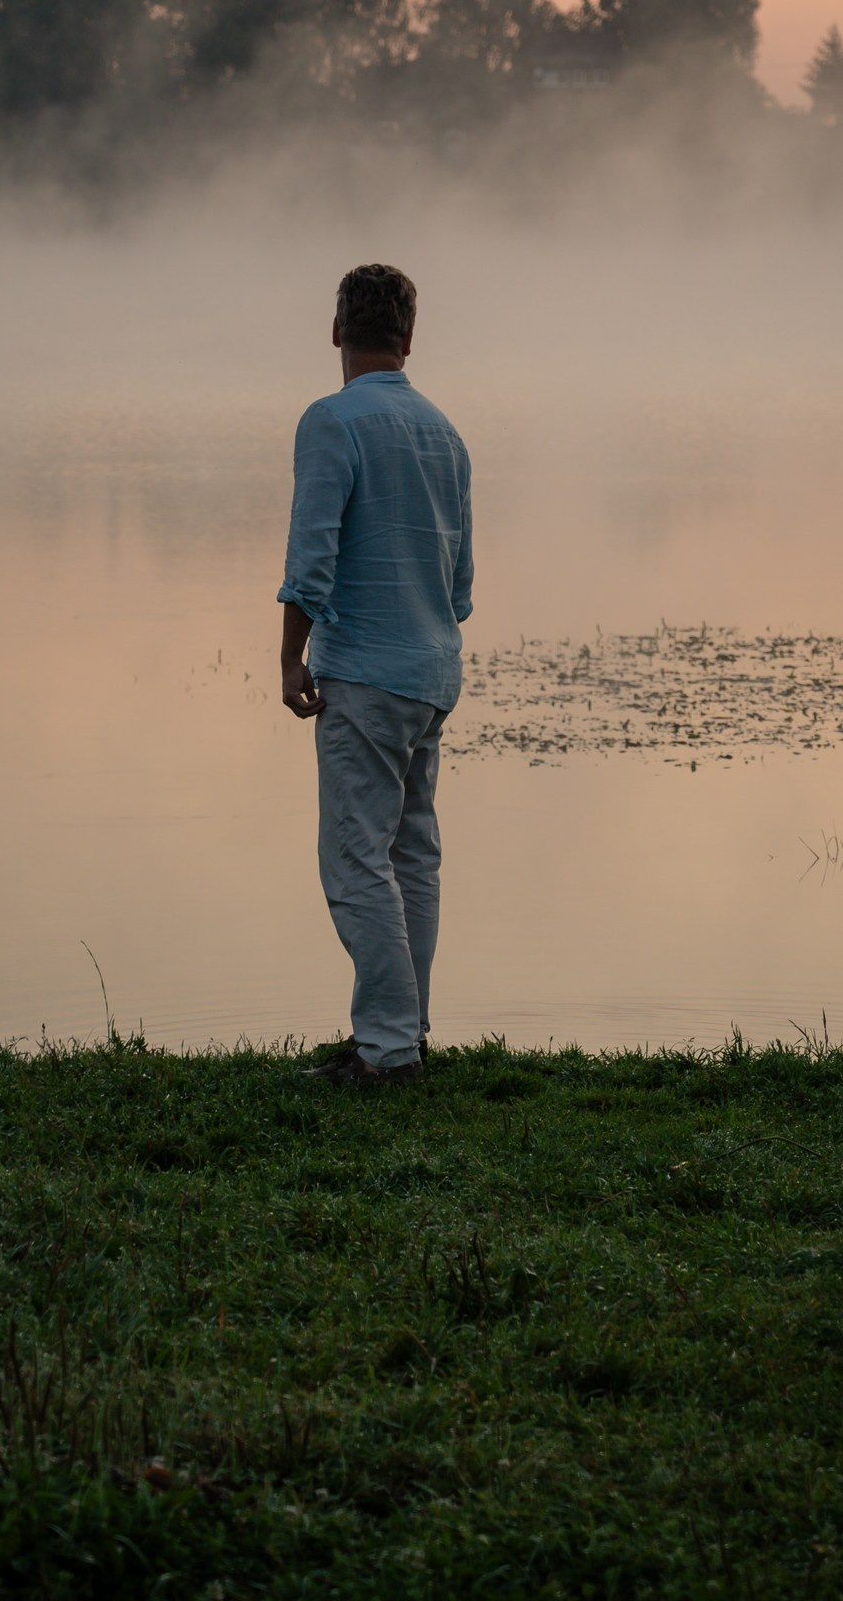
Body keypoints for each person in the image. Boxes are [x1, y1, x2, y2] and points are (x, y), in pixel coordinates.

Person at [278, 262, 473, 1086]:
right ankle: (406, 1033)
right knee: (411, 857)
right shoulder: (444, 432)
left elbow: (310, 556)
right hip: (430, 671)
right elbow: (459, 586)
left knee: (357, 859)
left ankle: (387, 1051)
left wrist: (290, 658)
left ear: (335, 332)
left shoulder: (332, 421)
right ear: (408, 338)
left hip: (362, 674)